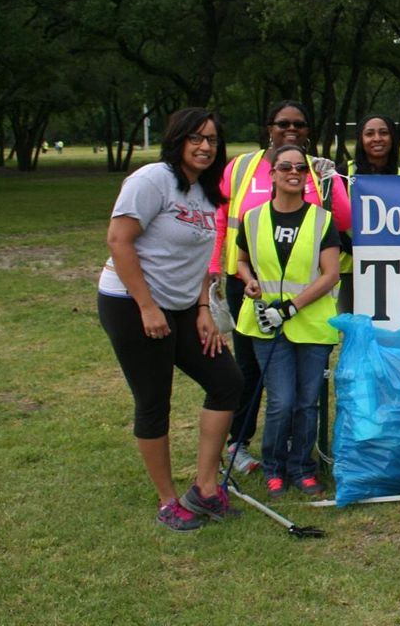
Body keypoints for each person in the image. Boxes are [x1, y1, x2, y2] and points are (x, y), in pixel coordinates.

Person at [98, 108, 243, 531]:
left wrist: (201, 309)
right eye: (196, 138)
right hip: (131, 304)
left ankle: (205, 489)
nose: (205, 146)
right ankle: (168, 502)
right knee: (154, 401)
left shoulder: (204, 190)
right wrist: (146, 307)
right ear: (177, 139)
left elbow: (198, 256)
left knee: (226, 382)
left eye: (213, 140)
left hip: (181, 309)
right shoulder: (151, 180)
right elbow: (118, 240)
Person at [210, 101, 350, 476]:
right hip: (251, 287)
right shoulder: (241, 167)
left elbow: (344, 219)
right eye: (283, 123)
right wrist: (222, 271)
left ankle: (294, 451)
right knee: (249, 373)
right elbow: (223, 220)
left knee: (298, 393)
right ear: (269, 127)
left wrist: (330, 180)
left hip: (307, 300)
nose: (292, 129)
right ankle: (239, 443)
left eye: (300, 124)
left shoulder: (317, 173)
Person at [236, 144, 340, 498]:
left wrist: (293, 306)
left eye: (300, 167)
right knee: (281, 400)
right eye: (285, 167)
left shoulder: (322, 219)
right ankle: (274, 466)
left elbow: (331, 274)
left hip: (311, 324)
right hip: (265, 324)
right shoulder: (252, 217)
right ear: (273, 174)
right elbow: (241, 260)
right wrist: (247, 279)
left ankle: (302, 467)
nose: (293, 172)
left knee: (307, 400)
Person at [338, 114, 400, 314]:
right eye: (369, 133)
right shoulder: (342, 174)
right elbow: (333, 221)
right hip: (349, 270)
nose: (377, 138)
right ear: (361, 139)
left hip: (395, 269)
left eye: (384, 132)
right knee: (355, 332)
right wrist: (362, 251)